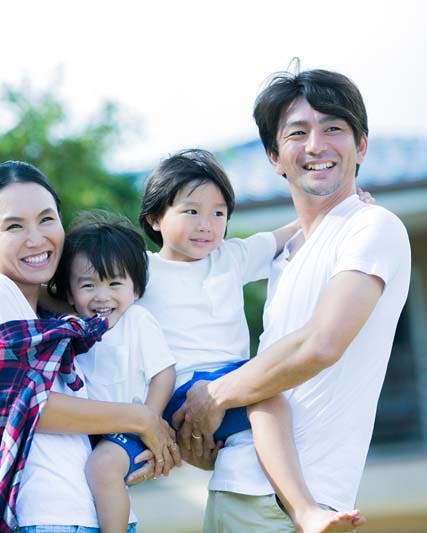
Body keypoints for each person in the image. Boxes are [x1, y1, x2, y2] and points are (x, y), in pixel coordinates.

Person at [173, 68, 411, 532]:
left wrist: (214, 395)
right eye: (297, 133)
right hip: (232, 490)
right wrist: (205, 436)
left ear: (361, 146)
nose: (316, 145)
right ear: (274, 156)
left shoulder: (371, 226)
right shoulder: (285, 255)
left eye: (333, 129)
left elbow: (319, 345)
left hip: (291, 507)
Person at [131, 148, 364, 533]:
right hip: (181, 389)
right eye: (191, 211)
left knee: (265, 394)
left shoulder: (230, 256)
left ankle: (288, 499)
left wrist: (346, 211)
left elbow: (292, 231)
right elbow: (92, 286)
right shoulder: (141, 269)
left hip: (233, 381)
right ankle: (304, 510)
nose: (207, 224)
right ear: (155, 218)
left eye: (218, 213)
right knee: (269, 398)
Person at [0, 161, 180, 533]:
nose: (36, 238)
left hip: (82, 516)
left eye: (46, 219)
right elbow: (29, 408)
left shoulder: (55, 317)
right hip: (46, 519)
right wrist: (140, 420)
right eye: (14, 226)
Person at [47, 213, 177, 533]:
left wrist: (150, 419)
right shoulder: (70, 329)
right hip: (92, 431)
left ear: (135, 289)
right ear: (69, 293)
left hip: (130, 429)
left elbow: (164, 372)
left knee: (102, 468)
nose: (102, 296)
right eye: (88, 285)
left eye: (115, 284)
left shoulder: (138, 321)